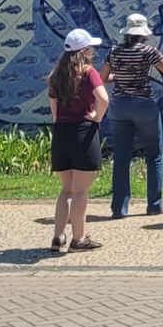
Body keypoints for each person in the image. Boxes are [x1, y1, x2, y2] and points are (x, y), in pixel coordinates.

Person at [101, 13, 163, 219]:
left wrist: (121, 74)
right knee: (153, 156)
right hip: (144, 106)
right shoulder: (149, 51)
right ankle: (154, 205)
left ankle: (119, 208)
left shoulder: (114, 51)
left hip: (119, 106)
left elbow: (103, 78)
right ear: (143, 33)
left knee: (121, 158)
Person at [48, 29, 109, 253]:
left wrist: (58, 121)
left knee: (66, 189)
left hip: (61, 132)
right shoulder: (88, 72)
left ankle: (58, 235)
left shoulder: (57, 74)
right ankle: (79, 238)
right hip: (83, 132)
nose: (93, 50)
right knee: (81, 190)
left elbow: (52, 102)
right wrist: (97, 117)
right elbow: (103, 98)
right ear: (84, 51)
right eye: (90, 47)